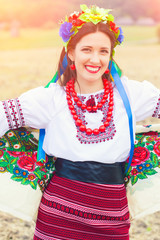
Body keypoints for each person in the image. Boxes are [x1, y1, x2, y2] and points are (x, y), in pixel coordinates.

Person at [0, 4, 160, 240]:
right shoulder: (51, 98)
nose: (95, 59)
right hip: (58, 214)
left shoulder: (130, 94)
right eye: (87, 49)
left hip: (112, 214)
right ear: (71, 52)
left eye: (103, 51)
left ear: (110, 55)